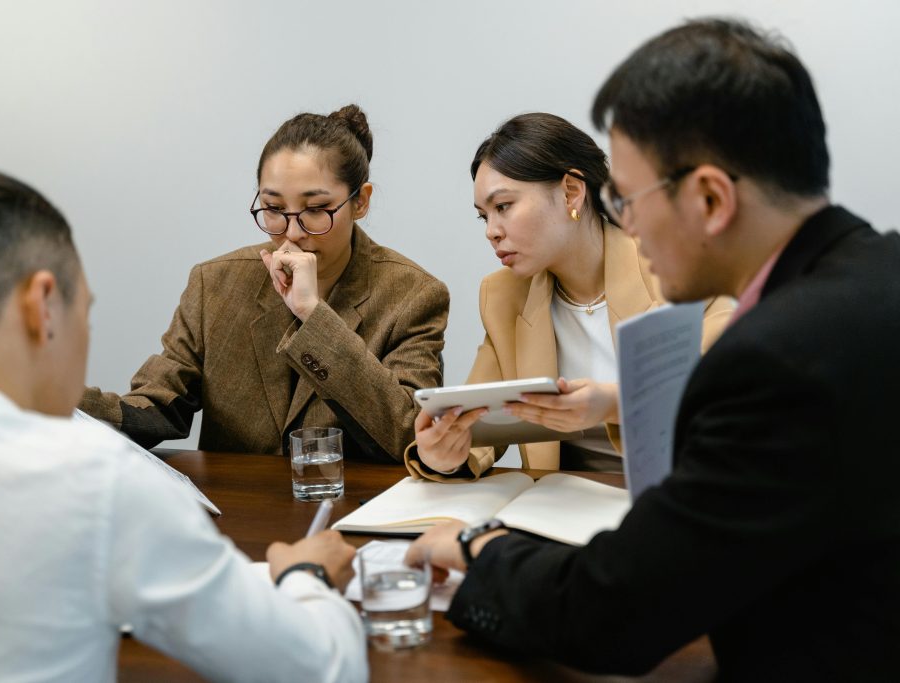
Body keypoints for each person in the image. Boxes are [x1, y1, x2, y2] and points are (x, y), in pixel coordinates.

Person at [407, 18, 900, 681]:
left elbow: (615, 613)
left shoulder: (773, 361)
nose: (627, 222)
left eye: (628, 198)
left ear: (708, 198)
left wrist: (480, 549)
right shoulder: (878, 275)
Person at [0, 139, 366, 682]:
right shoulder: (95, 481)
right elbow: (322, 668)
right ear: (44, 306)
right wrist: (304, 576)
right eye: (85, 310)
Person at [80, 105, 448, 461]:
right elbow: (158, 407)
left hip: (351, 510)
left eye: (316, 210)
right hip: (239, 511)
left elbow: (408, 434)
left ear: (361, 202)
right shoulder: (216, 284)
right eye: (273, 209)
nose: (291, 232)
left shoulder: (413, 295)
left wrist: (314, 315)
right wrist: (53, 399)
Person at [405, 113, 732, 480]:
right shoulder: (504, 296)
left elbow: (725, 395)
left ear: (571, 191)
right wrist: (443, 455)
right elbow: (478, 425)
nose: (492, 232)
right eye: (484, 217)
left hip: (687, 496)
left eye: (504, 206)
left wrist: (613, 404)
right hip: (565, 512)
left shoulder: (682, 266)